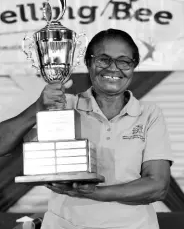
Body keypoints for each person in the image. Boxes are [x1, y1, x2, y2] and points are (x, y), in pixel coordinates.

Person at [0, 29, 173, 229]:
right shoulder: (65, 106)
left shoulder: (149, 114)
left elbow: (157, 186)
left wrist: (95, 193)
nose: (113, 68)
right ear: (88, 63)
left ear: (134, 66)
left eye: (124, 61)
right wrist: (37, 108)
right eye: (103, 59)